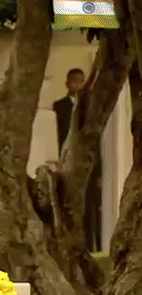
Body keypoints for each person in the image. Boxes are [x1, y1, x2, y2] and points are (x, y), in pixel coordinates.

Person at [52, 68, 101, 252]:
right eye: (74, 81)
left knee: (90, 207)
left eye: (81, 81)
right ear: (67, 83)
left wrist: (98, 172)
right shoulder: (59, 107)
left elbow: (94, 141)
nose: (78, 85)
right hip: (66, 163)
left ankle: (91, 246)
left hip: (86, 165)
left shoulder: (90, 108)